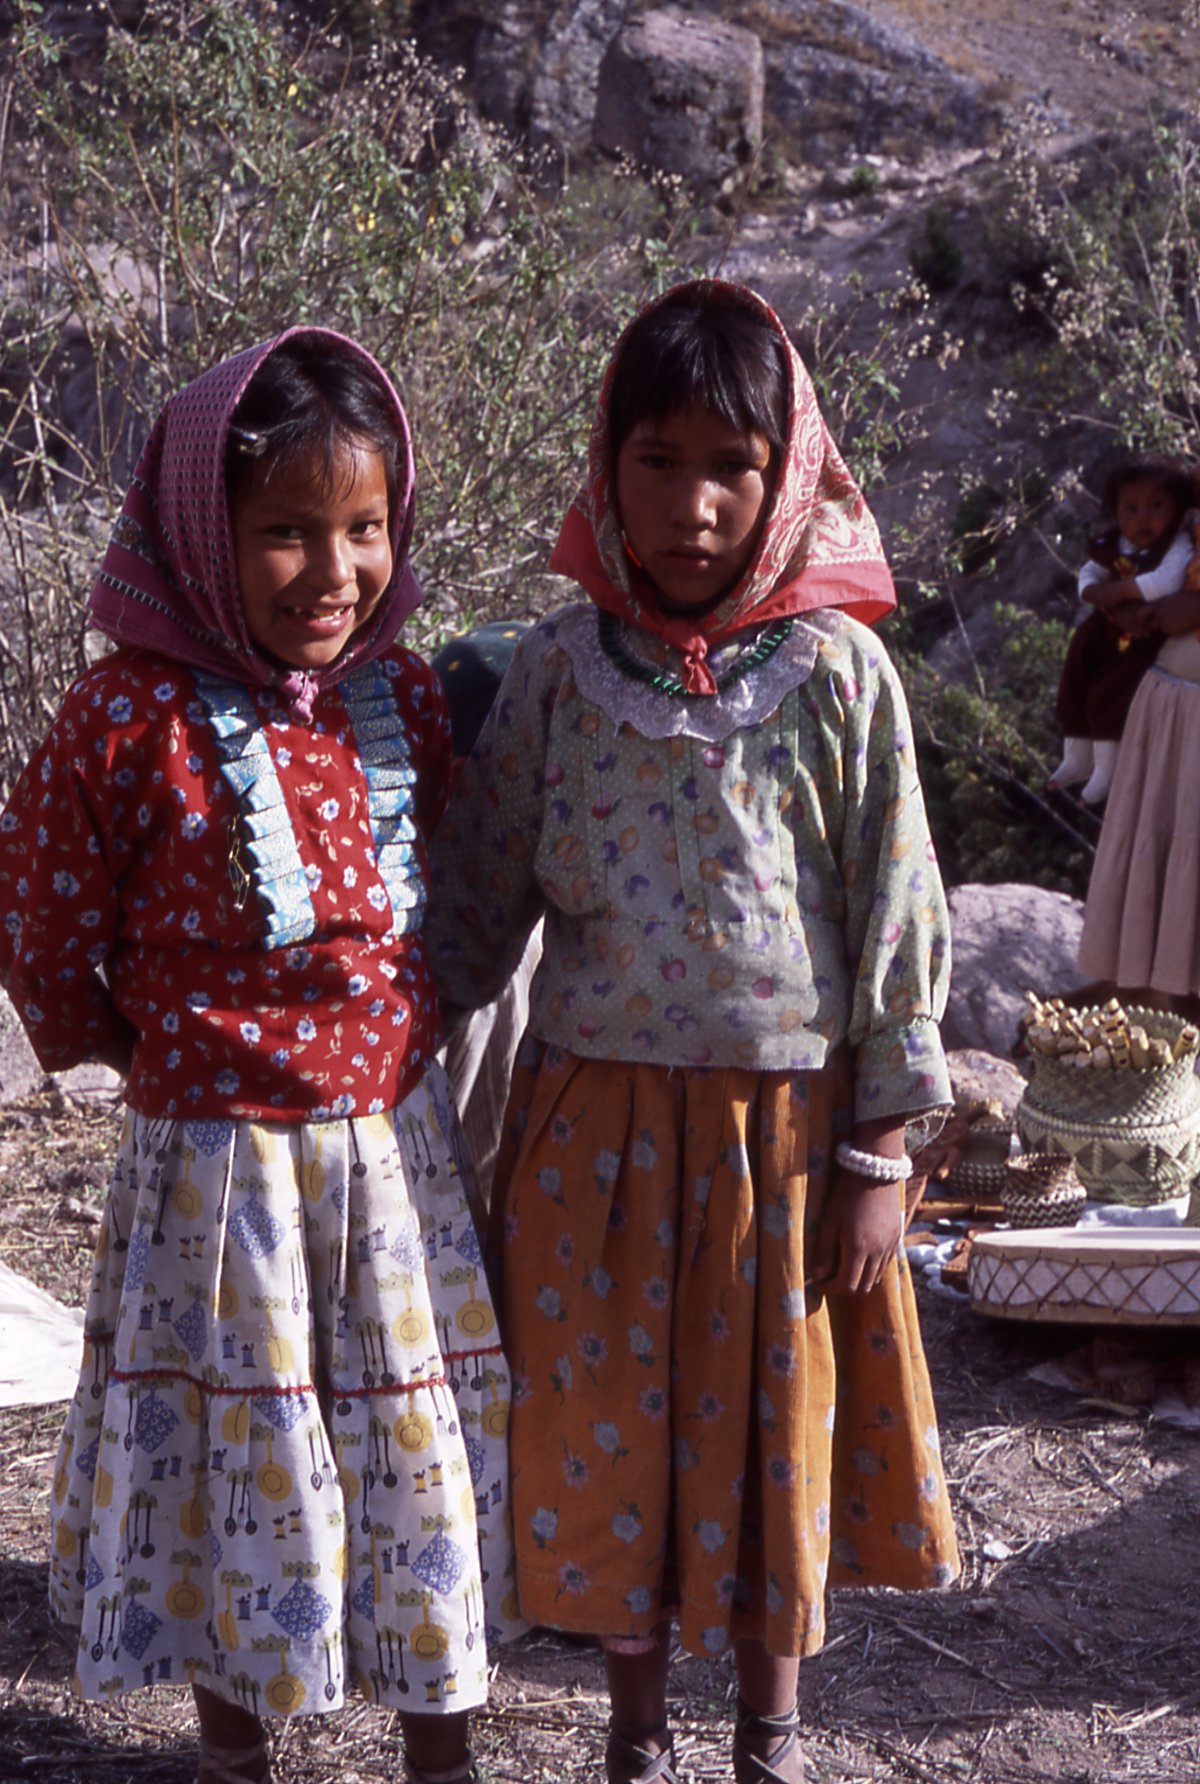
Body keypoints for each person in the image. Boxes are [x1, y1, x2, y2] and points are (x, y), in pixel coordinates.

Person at [427, 280, 960, 1784]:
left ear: (785, 472)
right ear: (609, 466)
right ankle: (637, 1731)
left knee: (769, 1424)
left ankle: (770, 1728)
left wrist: (883, 1147)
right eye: (656, 462)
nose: (694, 503)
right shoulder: (556, 670)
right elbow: (478, 901)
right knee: (604, 1424)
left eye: (730, 465)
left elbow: (897, 913)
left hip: (782, 1143)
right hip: (589, 1126)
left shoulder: (841, 678)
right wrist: (379, 1058)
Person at [0, 331, 521, 1784]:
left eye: (362, 529)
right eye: (284, 533)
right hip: (218, 1176)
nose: (333, 571)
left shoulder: (403, 697)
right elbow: (38, 912)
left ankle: (442, 1750)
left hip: (394, 1166)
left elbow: (452, 899)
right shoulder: (128, 717)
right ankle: (237, 1749)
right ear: (196, 530)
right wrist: (140, 1050)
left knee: (412, 1457)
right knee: (240, 1461)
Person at [1048, 452, 1194, 805]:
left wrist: (1113, 594)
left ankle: (1105, 772)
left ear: (1176, 510)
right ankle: (1076, 753)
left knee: (1109, 693)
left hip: (1151, 634)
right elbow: (1089, 573)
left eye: (1156, 506)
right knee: (1078, 674)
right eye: (1131, 509)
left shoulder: (1176, 545)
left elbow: (1163, 583)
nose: (1143, 518)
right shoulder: (1116, 544)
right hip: (1114, 625)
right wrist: (1098, 596)